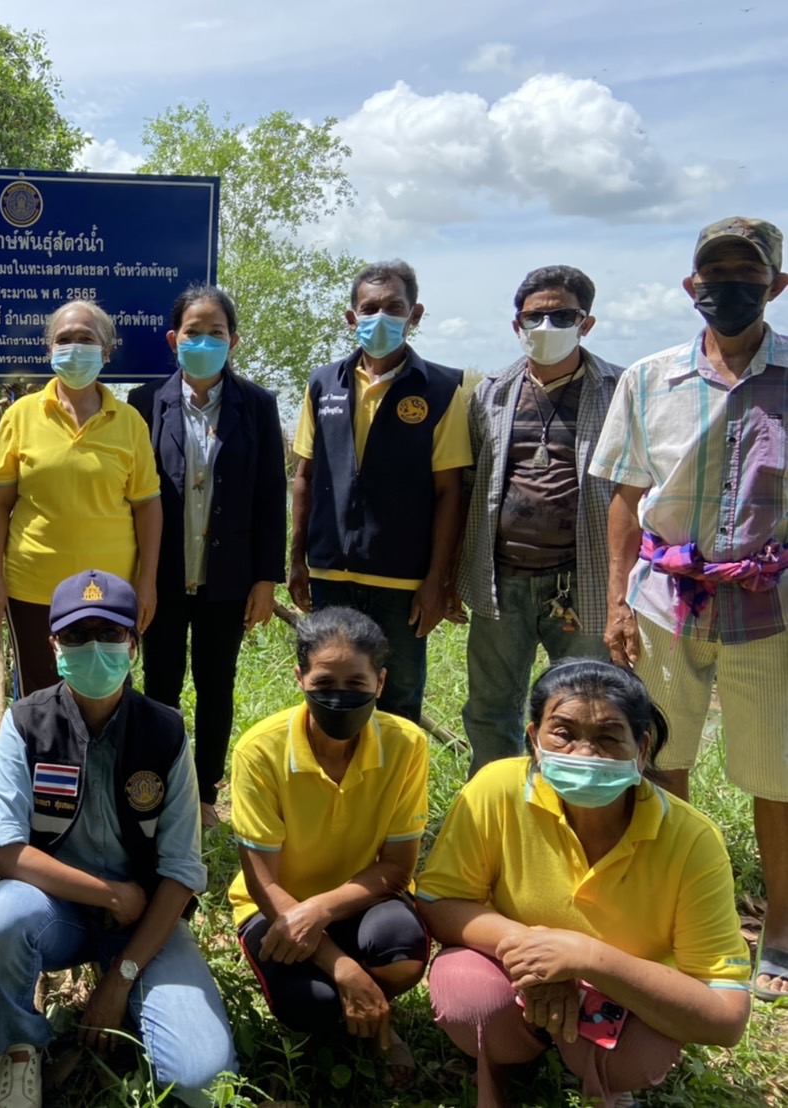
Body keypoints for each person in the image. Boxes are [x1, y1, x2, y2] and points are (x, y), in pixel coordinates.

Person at [589, 217, 788, 1001]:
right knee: (664, 765)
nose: (728, 285)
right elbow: (625, 496)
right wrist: (616, 602)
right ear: (690, 287)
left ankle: (778, 933)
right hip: (665, 604)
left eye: (748, 271)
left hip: (769, 612)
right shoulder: (649, 378)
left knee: (775, 779)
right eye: (715, 273)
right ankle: (679, 920)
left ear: (776, 285)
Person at [417, 659, 752, 1107]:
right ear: (534, 739)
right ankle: (507, 1057)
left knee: (639, 1055)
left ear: (642, 747)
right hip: (512, 974)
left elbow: (726, 1017)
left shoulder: (692, 839)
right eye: (564, 733)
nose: (583, 754)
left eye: (609, 737)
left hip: (623, 996)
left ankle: (602, 1074)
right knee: (466, 992)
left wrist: (588, 959)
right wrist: (538, 952)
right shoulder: (496, 789)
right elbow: (440, 898)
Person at [0, 569, 237, 1108]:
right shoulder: (26, 724)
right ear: (54, 645)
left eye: (110, 634)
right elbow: (3, 850)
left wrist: (121, 979)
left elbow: (182, 871)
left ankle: (137, 995)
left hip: (143, 920)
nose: (94, 648)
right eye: (76, 636)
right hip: (56, 909)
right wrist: (109, 894)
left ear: (133, 644)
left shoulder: (165, 733)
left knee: (201, 1080)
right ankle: (19, 1044)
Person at [229, 607, 429, 1087]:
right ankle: (359, 998)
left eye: (356, 685)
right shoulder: (260, 752)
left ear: (380, 683)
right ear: (299, 677)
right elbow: (263, 881)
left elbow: (397, 868)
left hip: (362, 898)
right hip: (276, 908)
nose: (340, 697)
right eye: (324, 682)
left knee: (401, 950)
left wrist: (318, 912)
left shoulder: (407, 746)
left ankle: (371, 1006)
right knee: (312, 1004)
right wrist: (339, 964)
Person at [129, 285, 286, 827]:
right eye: (193, 331)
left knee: (216, 685)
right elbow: (136, 496)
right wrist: (139, 578)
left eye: (215, 332)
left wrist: (267, 578)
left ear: (233, 341)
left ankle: (203, 795)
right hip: (164, 578)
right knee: (161, 685)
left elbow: (271, 495)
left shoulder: (258, 405)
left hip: (228, 579)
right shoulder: (145, 402)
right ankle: (160, 789)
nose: (203, 340)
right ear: (174, 340)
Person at [287, 260, 470, 723]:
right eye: (370, 308)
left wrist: (437, 580)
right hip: (331, 574)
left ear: (416, 314)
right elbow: (304, 476)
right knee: (328, 694)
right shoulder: (322, 383)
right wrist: (296, 560)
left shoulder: (444, 389)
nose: (381, 317)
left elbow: (450, 492)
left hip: (403, 582)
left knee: (400, 700)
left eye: (395, 307)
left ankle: (394, 794)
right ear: (352, 317)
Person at [456, 266, 620, 775]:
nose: (547, 324)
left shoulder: (618, 390)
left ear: (586, 323)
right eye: (535, 316)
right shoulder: (491, 393)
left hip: (584, 582)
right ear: (517, 325)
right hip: (500, 581)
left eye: (562, 315)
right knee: (490, 709)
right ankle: (493, 814)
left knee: (586, 708)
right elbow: (470, 485)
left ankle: (574, 810)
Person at [0, 301, 163, 695]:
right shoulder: (21, 416)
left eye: (86, 339)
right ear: (49, 350)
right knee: (39, 697)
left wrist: (147, 581)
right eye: (64, 339)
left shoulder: (130, 423)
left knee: (108, 693)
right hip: (32, 590)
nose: (74, 347)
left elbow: (147, 505)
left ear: (106, 351)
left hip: (112, 593)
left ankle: (104, 760)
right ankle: (40, 760)